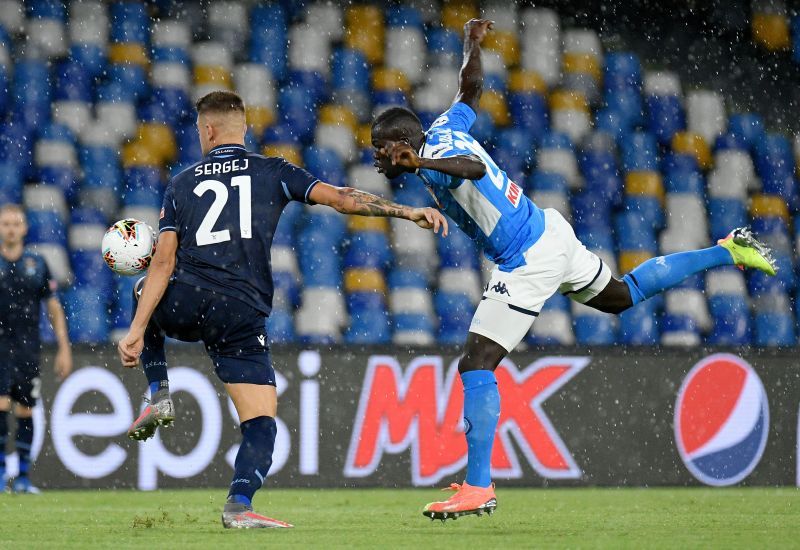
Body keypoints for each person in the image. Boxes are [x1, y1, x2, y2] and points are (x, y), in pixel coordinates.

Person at [370, 18, 777, 521]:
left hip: (527, 257)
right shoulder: (446, 128)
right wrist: (472, 44)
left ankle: (479, 486)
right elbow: (470, 88)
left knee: (476, 364)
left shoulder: (437, 152)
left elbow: (471, 171)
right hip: (549, 231)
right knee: (621, 297)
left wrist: (421, 166)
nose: (377, 162)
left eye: (379, 151)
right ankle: (727, 251)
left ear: (399, 145)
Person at [117, 90, 448, 529]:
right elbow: (344, 198)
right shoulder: (273, 170)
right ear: (244, 129)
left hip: (190, 297)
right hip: (242, 311)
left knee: (145, 286)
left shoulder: (182, 182)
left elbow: (162, 261)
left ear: (208, 130)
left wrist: (138, 328)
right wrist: (408, 212)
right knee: (261, 425)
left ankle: (159, 393)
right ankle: (238, 506)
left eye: (200, 130)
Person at [0, 203, 72, 493]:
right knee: (1, 405)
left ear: (25, 228)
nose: (11, 229)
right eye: (6, 224)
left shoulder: (37, 262)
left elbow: (53, 307)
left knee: (26, 409)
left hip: (28, 347)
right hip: (1, 346)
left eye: (16, 223)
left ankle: (24, 478)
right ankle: (3, 473)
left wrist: (64, 348)